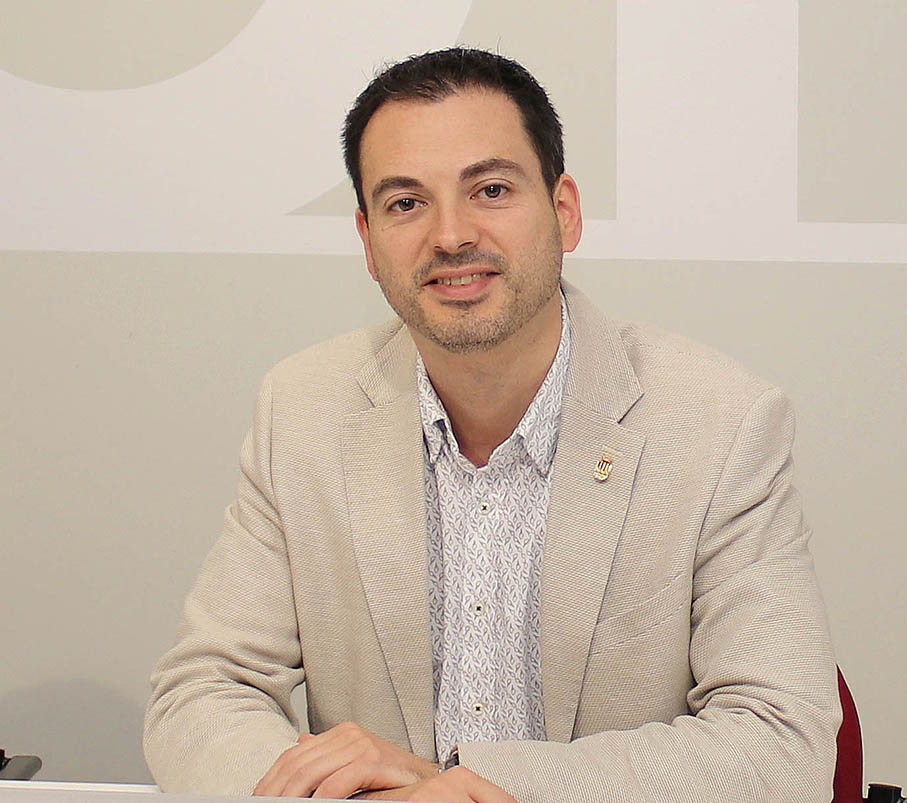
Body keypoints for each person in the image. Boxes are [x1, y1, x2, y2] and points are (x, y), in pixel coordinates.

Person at [144, 48, 839, 802]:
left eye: (491, 190)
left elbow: (781, 744)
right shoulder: (303, 409)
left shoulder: (719, 423)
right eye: (405, 203)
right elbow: (203, 690)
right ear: (368, 241)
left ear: (564, 211)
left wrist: (468, 785)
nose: (450, 235)